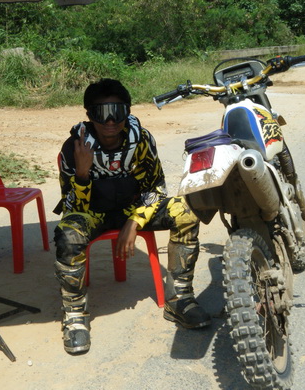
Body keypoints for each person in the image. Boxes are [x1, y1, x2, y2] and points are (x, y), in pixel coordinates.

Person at [53, 78, 211, 355]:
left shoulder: (141, 140)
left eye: (118, 111)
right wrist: (82, 173)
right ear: (89, 115)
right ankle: (75, 315)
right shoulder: (74, 147)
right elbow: (73, 206)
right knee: (68, 234)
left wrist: (134, 221)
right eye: (102, 112)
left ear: (127, 111)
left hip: (133, 209)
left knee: (185, 212)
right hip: (92, 213)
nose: (110, 121)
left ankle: (180, 299)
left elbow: (156, 188)